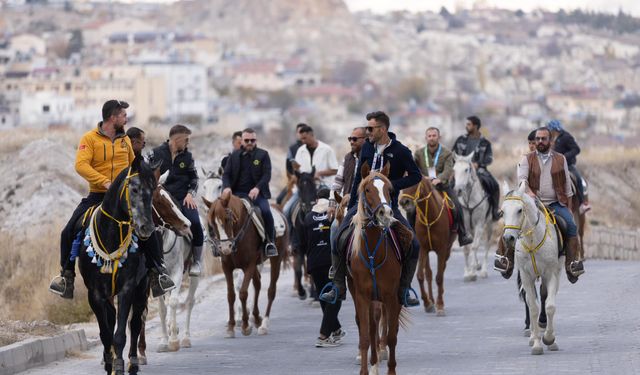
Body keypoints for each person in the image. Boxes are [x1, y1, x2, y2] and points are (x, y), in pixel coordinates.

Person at [49, 100, 175, 299]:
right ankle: (66, 277)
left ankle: (156, 273)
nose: (126, 119)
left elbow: (132, 166)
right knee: (68, 230)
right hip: (98, 195)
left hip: (124, 197)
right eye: (124, 115)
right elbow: (81, 165)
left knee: (148, 227)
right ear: (112, 117)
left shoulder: (125, 140)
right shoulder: (89, 139)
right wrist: (105, 182)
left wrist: (147, 175)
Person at [320, 111, 422, 307]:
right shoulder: (367, 147)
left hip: (388, 206)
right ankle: (339, 286)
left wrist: (392, 184)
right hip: (361, 205)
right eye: (366, 128)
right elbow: (359, 176)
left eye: (370, 128)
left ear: (382, 129)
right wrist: (351, 208)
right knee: (336, 235)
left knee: (414, 244)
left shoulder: (401, 151)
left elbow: (416, 176)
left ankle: (404, 289)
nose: (367, 132)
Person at [498, 127, 585, 283]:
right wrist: (530, 193)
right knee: (511, 224)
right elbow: (522, 180)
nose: (540, 141)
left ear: (550, 141)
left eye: (543, 139)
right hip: (532, 203)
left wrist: (569, 208)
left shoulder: (561, 159)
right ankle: (505, 260)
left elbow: (567, 187)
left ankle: (572, 265)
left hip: (556, 203)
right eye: (537, 139)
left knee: (571, 226)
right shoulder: (526, 159)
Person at [150, 125, 204, 276]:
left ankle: (196, 262)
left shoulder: (188, 157)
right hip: (162, 201)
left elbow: (194, 178)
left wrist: (190, 194)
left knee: (196, 223)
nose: (188, 142)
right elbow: (144, 173)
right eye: (186, 139)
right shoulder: (155, 153)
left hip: (182, 199)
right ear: (177, 139)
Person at [221, 128, 278, 257]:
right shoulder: (234, 156)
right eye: (247, 140)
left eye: (252, 140)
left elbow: (266, 175)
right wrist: (227, 187)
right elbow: (226, 175)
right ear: (242, 141)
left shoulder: (263, 155)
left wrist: (257, 188)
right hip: (236, 194)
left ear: (256, 140)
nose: (250, 142)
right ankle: (218, 243)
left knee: (266, 212)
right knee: (219, 211)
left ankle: (270, 242)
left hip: (257, 194)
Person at [301, 189, 346, 347]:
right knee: (336, 298)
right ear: (329, 200)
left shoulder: (307, 217)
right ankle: (323, 336)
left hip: (313, 263)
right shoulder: (335, 215)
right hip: (331, 263)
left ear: (316, 199)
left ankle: (336, 330)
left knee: (324, 297)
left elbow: (303, 242)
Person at [413, 127, 473, 246]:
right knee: (411, 208)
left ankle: (462, 234)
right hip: (424, 188)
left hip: (442, 187)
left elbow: (448, 169)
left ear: (439, 137)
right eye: (429, 136)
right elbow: (414, 169)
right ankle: (411, 234)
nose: (431, 138)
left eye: (434, 135)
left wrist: (439, 179)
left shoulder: (447, 153)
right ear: (426, 138)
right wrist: (423, 178)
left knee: (456, 205)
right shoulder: (419, 153)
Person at [452, 116, 501, 220]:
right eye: (466, 124)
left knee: (494, 185)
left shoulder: (485, 143)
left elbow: (489, 159)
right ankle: (452, 214)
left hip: (480, 171)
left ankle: (494, 211)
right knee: (450, 185)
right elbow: (453, 154)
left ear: (476, 126)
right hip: (461, 170)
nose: (466, 126)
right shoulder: (460, 140)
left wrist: (478, 164)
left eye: (469, 124)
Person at [327, 127, 366, 249]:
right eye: (350, 139)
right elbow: (337, 183)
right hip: (347, 205)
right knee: (334, 227)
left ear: (365, 139)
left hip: (367, 204)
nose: (351, 142)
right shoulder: (347, 158)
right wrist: (332, 204)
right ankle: (336, 265)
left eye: (355, 139)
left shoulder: (372, 158)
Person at [547, 120, 591, 214]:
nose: (550, 132)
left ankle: (583, 203)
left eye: (551, 130)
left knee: (578, 179)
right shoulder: (552, 139)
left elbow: (576, 149)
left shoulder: (566, 137)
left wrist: (564, 157)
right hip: (555, 166)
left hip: (568, 165)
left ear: (555, 129)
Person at [276, 123, 306, 205]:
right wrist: (293, 177)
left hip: (310, 181)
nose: (302, 134)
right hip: (295, 181)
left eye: (304, 132)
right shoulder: (292, 149)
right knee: (279, 199)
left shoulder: (312, 147)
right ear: (297, 134)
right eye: (300, 132)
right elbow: (288, 166)